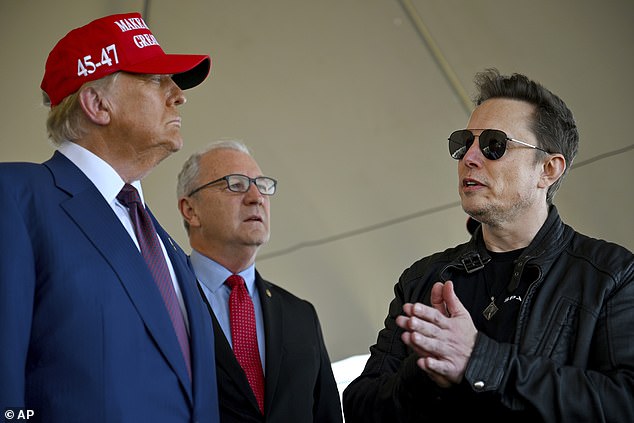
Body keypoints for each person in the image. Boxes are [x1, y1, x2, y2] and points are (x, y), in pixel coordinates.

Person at [342, 68, 634, 422]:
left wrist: (479, 359)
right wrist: (427, 374)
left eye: (494, 144)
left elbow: (624, 402)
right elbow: (360, 407)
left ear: (549, 169)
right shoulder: (422, 279)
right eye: (464, 143)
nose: (470, 157)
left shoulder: (612, 275)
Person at [0, 12, 220, 422]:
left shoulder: (165, 244)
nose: (178, 94)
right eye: (157, 79)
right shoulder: (14, 197)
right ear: (97, 104)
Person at [177, 140, 343, 422]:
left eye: (262, 185)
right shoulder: (165, 300)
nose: (256, 197)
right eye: (236, 184)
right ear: (191, 210)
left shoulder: (301, 315)